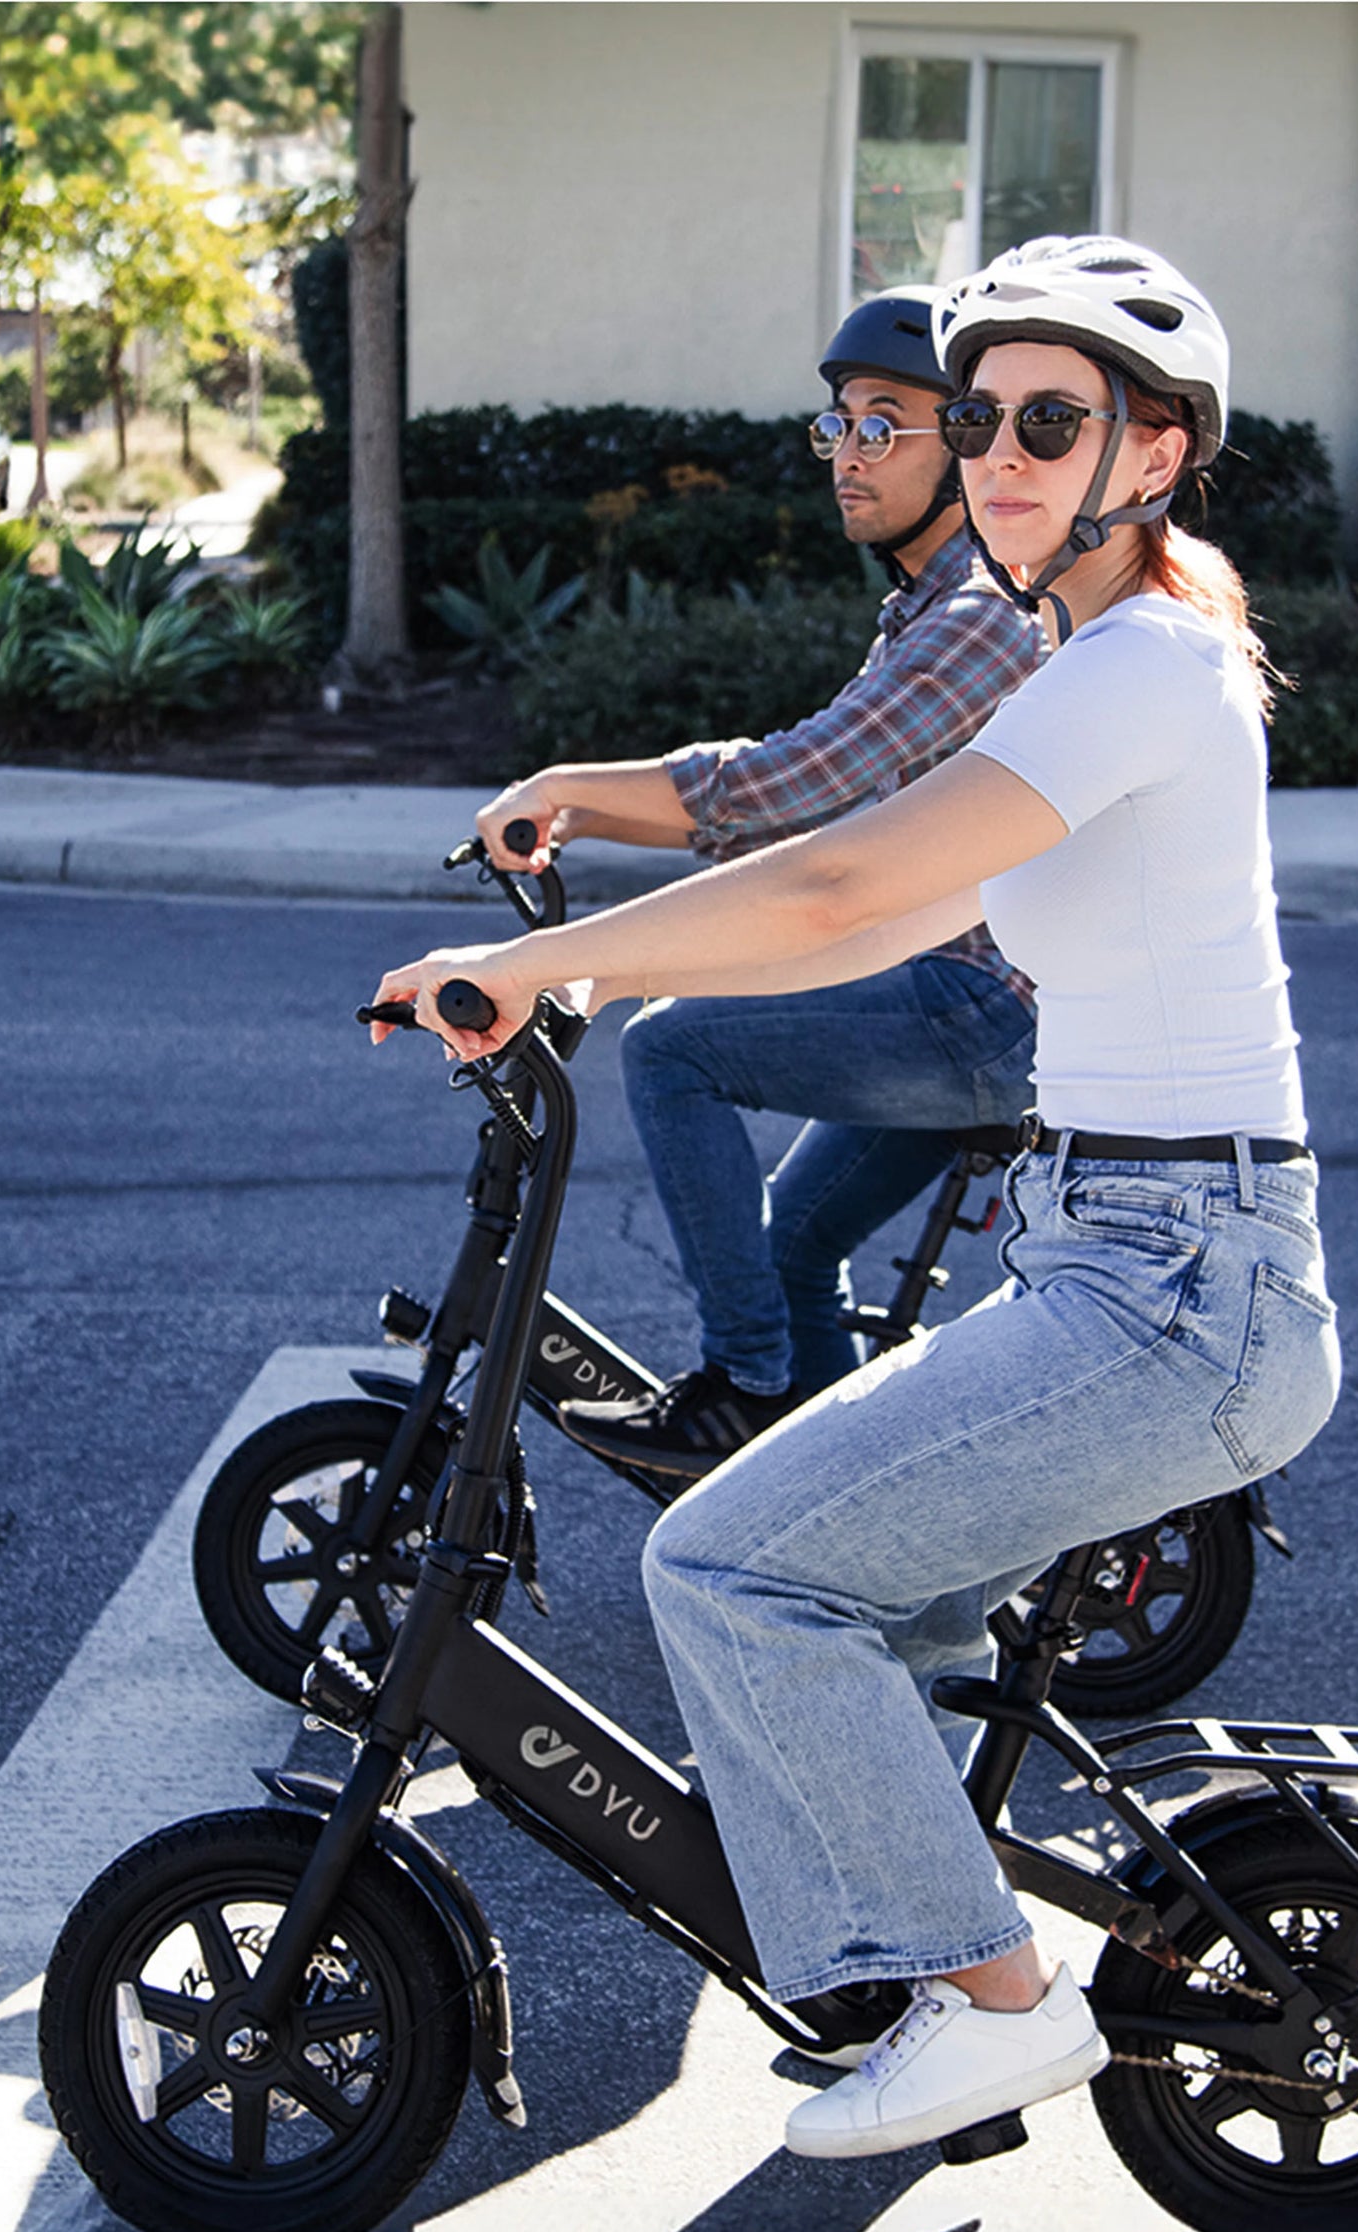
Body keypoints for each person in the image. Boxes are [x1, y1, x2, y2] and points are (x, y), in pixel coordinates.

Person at [376, 236, 1341, 2161]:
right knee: (863, 1617)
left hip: (1173, 1293)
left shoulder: (1133, 667)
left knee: (723, 1569)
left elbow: (831, 887)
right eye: (978, 416)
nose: (995, 452)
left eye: (1046, 421)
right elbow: (883, 906)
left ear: (1151, 457)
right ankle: (913, 1971)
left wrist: (547, 973)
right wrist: (606, 987)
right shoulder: (1085, 666)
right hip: (1120, 1261)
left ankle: (990, 2005)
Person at [471, 287, 1042, 1479]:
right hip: (931, 989)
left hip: (976, 1011)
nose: (846, 454)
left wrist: (567, 787)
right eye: (835, 425)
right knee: (790, 1250)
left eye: (882, 424)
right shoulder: (924, 608)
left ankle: (741, 1389)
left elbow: (793, 785)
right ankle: (837, 1503)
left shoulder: (981, 618)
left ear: (968, 441)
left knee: (673, 1051)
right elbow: (821, 798)